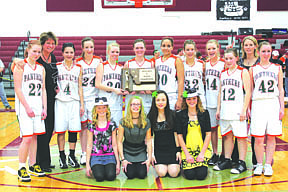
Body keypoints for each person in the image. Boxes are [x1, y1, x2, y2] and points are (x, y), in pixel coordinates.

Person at [213, 48, 251, 174]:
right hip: (225, 109)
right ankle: (227, 160)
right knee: (227, 137)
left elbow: (248, 93)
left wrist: (244, 110)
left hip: (237, 110)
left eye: (231, 58)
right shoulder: (223, 73)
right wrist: (218, 109)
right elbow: (220, 93)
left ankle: (241, 162)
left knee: (241, 138)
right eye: (226, 58)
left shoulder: (243, 72)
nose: (228, 61)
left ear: (236, 58)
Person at [13, 40, 46, 182]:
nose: (36, 54)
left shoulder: (41, 68)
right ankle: (21, 168)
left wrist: (44, 108)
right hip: (24, 107)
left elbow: (43, 89)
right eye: (34, 51)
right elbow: (18, 89)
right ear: (28, 50)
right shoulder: (20, 66)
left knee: (34, 137)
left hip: (38, 107)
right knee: (26, 138)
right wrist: (26, 107)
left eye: (39, 52)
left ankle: (32, 165)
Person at [250, 41, 284, 176]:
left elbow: (281, 89)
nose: (266, 54)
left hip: (273, 103)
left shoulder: (277, 68)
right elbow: (250, 90)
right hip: (258, 104)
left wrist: (282, 107)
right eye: (263, 51)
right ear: (258, 52)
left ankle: (268, 164)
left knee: (271, 137)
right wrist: (248, 107)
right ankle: (259, 164)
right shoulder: (253, 69)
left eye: (268, 51)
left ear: (271, 52)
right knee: (258, 138)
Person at [54, 42, 84, 169]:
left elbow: (80, 87)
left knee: (73, 130)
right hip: (60, 102)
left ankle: (71, 155)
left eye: (71, 52)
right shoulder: (56, 66)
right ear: (62, 53)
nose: (69, 54)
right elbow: (53, 84)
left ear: (74, 53)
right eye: (66, 52)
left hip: (74, 102)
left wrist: (82, 104)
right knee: (61, 131)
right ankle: (62, 156)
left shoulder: (78, 67)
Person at [232, 36, 259, 168]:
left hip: (256, 99)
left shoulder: (260, 62)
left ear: (255, 46)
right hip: (240, 99)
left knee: (255, 130)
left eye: (250, 45)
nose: (248, 47)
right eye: (245, 45)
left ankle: (256, 159)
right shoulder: (240, 62)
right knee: (239, 128)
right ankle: (236, 158)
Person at [76, 37, 102, 165]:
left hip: (95, 98)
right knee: (83, 127)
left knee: (95, 126)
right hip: (82, 98)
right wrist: (81, 102)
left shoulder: (98, 61)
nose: (89, 49)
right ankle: (84, 152)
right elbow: (79, 84)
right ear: (83, 48)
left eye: (91, 47)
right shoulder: (78, 62)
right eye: (86, 47)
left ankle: (95, 150)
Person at [176, 88, 212, 180]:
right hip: (187, 149)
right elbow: (179, 135)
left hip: (201, 149)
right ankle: (184, 165)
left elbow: (208, 134)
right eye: (189, 99)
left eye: (194, 99)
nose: (191, 101)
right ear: (185, 100)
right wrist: (187, 154)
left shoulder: (204, 113)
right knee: (190, 175)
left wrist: (202, 154)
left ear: (197, 99)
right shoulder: (180, 115)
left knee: (201, 175)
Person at [147, 90, 181, 177]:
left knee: (173, 173)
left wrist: (178, 151)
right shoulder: (151, 116)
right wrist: (151, 154)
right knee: (162, 173)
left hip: (172, 150)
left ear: (167, 101)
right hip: (159, 151)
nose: (160, 102)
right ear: (154, 102)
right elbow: (150, 138)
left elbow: (176, 134)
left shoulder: (173, 114)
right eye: (158, 100)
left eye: (163, 100)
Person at [86, 96, 120, 182]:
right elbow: (89, 145)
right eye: (99, 108)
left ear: (107, 109)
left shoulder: (112, 124)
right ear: (95, 110)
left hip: (109, 156)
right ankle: (96, 167)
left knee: (111, 176)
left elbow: (114, 144)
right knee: (99, 177)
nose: (101, 110)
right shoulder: (92, 125)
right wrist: (87, 165)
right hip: (96, 156)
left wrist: (118, 162)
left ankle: (108, 168)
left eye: (104, 107)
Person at [118, 96, 152, 179]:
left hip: (141, 151)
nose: (136, 106)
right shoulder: (123, 121)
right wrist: (123, 159)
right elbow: (119, 141)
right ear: (129, 106)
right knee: (130, 174)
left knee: (142, 174)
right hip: (128, 150)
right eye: (133, 104)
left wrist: (149, 159)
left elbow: (149, 140)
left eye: (138, 104)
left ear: (141, 107)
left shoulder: (146, 121)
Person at [95, 42, 127, 126]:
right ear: (108, 52)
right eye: (113, 52)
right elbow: (97, 84)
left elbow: (124, 85)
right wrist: (113, 89)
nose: (115, 54)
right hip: (104, 103)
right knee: (103, 129)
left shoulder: (121, 68)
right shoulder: (102, 65)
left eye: (117, 52)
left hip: (117, 103)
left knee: (116, 129)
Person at [205, 39, 225, 165]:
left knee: (224, 130)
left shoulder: (223, 63)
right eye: (209, 49)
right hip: (209, 100)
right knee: (212, 129)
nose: (211, 51)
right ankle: (215, 153)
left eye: (213, 48)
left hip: (222, 101)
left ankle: (224, 154)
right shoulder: (204, 64)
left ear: (218, 48)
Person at [124, 39, 154, 114]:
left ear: (145, 49)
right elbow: (125, 84)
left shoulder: (151, 64)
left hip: (146, 98)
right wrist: (131, 90)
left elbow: (153, 86)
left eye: (141, 48)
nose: (139, 50)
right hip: (132, 98)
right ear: (133, 49)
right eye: (137, 48)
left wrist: (145, 90)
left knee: (145, 122)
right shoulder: (128, 63)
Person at [155, 37, 184, 110]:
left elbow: (181, 81)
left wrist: (180, 99)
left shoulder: (177, 60)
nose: (166, 48)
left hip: (172, 95)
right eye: (164, 46)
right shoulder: (157, 61)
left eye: (168, 46)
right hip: (159, 95)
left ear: (172, 47)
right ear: (161, 47)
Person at [182, 39, 206, 108]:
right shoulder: (180, 64)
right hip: (186, 97)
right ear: (184, 51)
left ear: (195, 50)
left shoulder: (201, 64)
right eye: (188, 50)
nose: (190, 52)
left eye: (192, 49)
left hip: (199, 97)